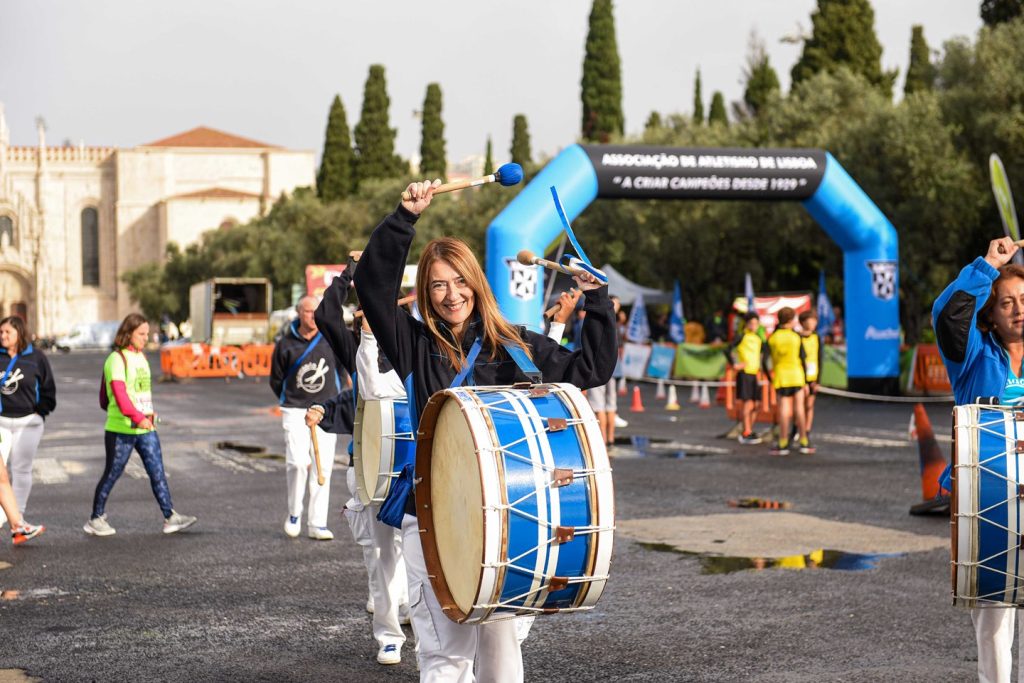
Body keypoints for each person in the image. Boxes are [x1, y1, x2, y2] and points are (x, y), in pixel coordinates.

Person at [355, 179, 617, 682]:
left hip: (504, 522)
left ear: (476, 282)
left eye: (460, 282)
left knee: (501, 657)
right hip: (431, 515)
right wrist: (402, 220)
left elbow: (591, 371)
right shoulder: (412, 343)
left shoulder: (514, 345)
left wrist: (598, 302)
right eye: (438, 285)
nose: (451, 295)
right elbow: (372, 286)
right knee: (444, 656)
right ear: (426, 294)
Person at [308, 253, 410, 666]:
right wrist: (351, 272)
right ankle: (389, 633)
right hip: (370, 470)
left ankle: (417, 618)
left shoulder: (415, 345)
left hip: (419, 469)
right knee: (383, 558)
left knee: (423, 557)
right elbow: (325, 312)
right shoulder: (356, 346)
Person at [933, 236, 1024, 683]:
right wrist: (989, 265)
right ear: (990, 312)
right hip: (990, 497)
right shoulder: (971, 357)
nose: (1019, 308)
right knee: (995, 620)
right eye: (1007, 302)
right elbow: (947, 315)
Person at [84, 314, 196, 536]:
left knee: (157, 472)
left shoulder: (141, 358)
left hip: (146, 427)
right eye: (141, 334)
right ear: (128, 334)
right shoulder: (116, 359)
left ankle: (170, 516)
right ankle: (95, 518)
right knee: (112, 473)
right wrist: (137, 417)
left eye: (147, 333)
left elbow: (140, 392)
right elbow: (120, 395)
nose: (146, 338)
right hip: (121, 429)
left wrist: (148, 416)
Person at [270, 294, 351, 540]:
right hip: (294, 409)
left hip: (325, 409)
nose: (313, 316)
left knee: (322, 465)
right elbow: (276, 379)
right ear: (299, 314)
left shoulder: (330, 339)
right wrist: (292, 400)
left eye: (316, 311)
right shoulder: (285, 343)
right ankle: (294, 513)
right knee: (296, 462)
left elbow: (342, 368)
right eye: (308, 311)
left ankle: (317, 523)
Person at [0, 316, 55, 527]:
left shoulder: (36, 357)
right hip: (2, 422)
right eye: (1, 332)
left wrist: (40, 411)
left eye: (8, 332)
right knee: (1, 474)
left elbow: (48, 387)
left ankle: (18, 517)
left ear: (19, 334)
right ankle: (9, 520)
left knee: (22, 469)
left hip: (29, 422)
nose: (3, 336)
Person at [766, 307, 813, 456]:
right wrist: (806, 381)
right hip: (797, 375)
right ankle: (804, 441)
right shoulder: (796, 337)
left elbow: (764, 361)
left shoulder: (773, 338)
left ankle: (783, 442)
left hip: (781, 376)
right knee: (799, 409)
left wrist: (769, 378)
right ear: (791, 320)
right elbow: (803, 359)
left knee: (784, 411)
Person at [584, 293, 622, 447]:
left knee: (598, 406)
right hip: (616, 369)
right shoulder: (618, 325)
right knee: (611, 406)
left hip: (599, 369)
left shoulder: (600, 322)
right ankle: (611, 439)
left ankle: (602, 441)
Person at [726, 311, 768, 445]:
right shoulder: (742, 336)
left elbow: (762, 354)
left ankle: (750, 428)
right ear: (747, 323)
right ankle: (746, 431)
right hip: (744, 373)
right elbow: (727, 350)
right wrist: (735, 364)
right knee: (748, 403)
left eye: (756, 323)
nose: (754, 325)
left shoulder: (758, 338)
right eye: (751, 323)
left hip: (755, 373)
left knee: (756, 404)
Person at [798, 310, 822, 435]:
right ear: (802, 322)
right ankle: (797, 429)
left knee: (809, 405)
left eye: (815, 321)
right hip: (800, 377)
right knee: (799, 406)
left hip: (813, 376)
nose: (813, 323)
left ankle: (807, 430)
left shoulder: (816, 337)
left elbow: (820, 358)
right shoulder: (797, 337)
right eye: (810, 321)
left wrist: (818, 380)